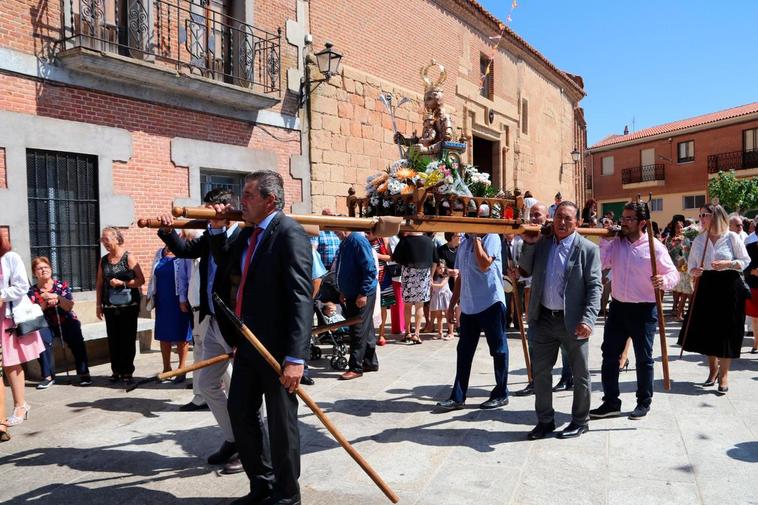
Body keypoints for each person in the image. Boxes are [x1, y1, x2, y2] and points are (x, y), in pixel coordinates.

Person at [210, 169, 312, 505]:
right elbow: (224, 262)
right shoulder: (246, 233)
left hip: (278, 351)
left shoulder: (289, 234)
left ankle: (287, 497)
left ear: (269, 201)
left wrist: (296, 358)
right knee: (240, 411)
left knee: (282, 426)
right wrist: (217, 228)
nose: (243, 201)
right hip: (248, 344)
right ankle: (262, 485)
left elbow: (301, 298)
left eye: (249, 195)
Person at [157, 188, 242, 474]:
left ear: (226, 209)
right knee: (206, 384)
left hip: (237, 323)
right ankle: (234, 439)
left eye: (212, 210)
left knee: (245, 390)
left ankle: (251, 445)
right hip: (212, 319)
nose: (208, 215)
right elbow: (184, 251)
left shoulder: (244, 235)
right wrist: (169, 232)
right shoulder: (209, 235)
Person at [519, 201, 602, 440]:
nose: (562, 222)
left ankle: (580, 420)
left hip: (573, 321)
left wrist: (588, 320)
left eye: (568, 218)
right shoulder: (543, 244)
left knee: (580, 374)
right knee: (541, 373)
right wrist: (529, 243)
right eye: (559, 218)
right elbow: (525, 270)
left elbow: (595, 287)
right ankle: (545, 421)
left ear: (577, 222)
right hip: (543, 318)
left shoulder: (587, 249)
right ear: (552, 220)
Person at [590, 202, 679, 421]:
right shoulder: (617, 243)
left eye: (630, 219)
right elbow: (601, 263)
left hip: (644, 309)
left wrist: (663, 280)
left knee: (643, 358)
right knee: (610, 355)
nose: (624, 222)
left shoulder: (654, 246)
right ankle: (611, 402)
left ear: (642, 223)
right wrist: (605, 240)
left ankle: (643, 402)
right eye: (623, 218)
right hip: (618, 307)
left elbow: (673, 275)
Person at [678, 204, 750, 395]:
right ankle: (712, 369)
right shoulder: (699, 240)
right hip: (707, 285)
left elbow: (745, 260)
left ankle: (724, 374)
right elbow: (691, 265)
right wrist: (695, 270)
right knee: (709, 329)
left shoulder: (732, 237)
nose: (701, 218)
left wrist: (729, 263)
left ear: (716, 216)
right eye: (700, 215)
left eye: (705, 215)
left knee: (727, 330)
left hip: (729, 284)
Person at [436, 230, 510, 411]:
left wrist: (477, 238)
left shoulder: (491, 237)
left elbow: (485, 264)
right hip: (469, 306)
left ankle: (501, 393)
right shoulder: (464, 243)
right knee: (464, 351)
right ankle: (457, 397)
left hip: (490, 302)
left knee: (498, 350)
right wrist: (453, 303)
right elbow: (461, 275)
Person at [0, 234, 46, 426]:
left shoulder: (11, 258)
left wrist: (1, 296)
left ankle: (20, 405)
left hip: (8, 317)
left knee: (11, 363)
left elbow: (22, 286)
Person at [29, 256, 91, 388]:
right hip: (45, 323)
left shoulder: (61, 286)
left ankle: (84, 372)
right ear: (35, 273)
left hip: (66, 320)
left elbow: (69, 305)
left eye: (46, 267)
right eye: (40, 268)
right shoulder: (32, 291)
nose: (44, 270)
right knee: (41, 338)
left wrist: (57, 297)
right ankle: (48, 375)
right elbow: (33, 313)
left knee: (76, 335)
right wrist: (45, 302)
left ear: (51, 269)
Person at [96, 227, 145, 385]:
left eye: (106, 239)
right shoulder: (104, 260)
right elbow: (99, 283)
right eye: (102, 240)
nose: (104, 243)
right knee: (113, 339)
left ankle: (127, 371)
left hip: (129, 305)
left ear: (117, 239)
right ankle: (116, 370)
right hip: (110, 305)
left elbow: (141, 280)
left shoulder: (128, 257)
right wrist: (98, 305)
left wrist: (123, 282)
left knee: (127, 338)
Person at [334, 230, 379, 380]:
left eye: (336, 230)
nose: (335, 233)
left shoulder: (356, 240)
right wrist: (343, 290)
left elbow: (369, 268)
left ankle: (356, 367)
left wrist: (363, 293)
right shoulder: (346, 242)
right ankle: (370, 362)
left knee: (357, 329)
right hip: (353, 292)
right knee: (366, 327)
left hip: (361, 293)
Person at [146, 242, 193, 382]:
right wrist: (150, 293)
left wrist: (185, 298)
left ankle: (181, 369)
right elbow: (153, 275)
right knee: (163, 335)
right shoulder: (159, 253)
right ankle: (166, 368)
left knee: (181, 335)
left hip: (179, 301)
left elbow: (188, 277)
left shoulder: (184, 253)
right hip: (162, 301)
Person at [392, 232, 437, 344]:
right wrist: (431, 276)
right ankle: (416, 334)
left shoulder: (405, 240)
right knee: (419, 305)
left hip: (408, 272)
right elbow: (435, 260)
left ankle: (407, 333)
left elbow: (396, 257)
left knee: (407, 305)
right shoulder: (429, 241)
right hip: (424, 273)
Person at [366, 231, 394, 345]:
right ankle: (369, 334)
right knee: (368, 306)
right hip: (368, 277)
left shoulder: (383, 239)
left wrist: (375, 255)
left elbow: (390, 257)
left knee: (383, 305)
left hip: (383, 277)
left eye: (369, 232)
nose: (366, 234)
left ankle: (381, 334)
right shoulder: (363, 240)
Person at [666, 220, 693, 321]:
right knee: (679, 290)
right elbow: (669, 252)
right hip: (675, 265)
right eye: (678, 227)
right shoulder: (670, 238)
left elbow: (687, 250)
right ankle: (676, 308)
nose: (680, 228)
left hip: (685, 266)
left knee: (685, 291)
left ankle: (680, 312)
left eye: (681, 226)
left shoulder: (686, 237)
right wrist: (676, 245)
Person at [429, 261, 454, 340]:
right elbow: (432, 288)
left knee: (448, 315)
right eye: (439, 268)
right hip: (437, 297)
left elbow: (441, 285)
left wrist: (432, 284)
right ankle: (440, 333)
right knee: (439, 316)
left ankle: (451, 333)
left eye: (443, 267)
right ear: (436, 268)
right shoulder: (433, 277)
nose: (441, 269)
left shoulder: (446, 276)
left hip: (445, 297)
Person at [745, 220, 758, 354]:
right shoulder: (750, 248)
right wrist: (752, 271)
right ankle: (756, 342)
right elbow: (743, 267)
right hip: (754, 286)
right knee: (755, 317)